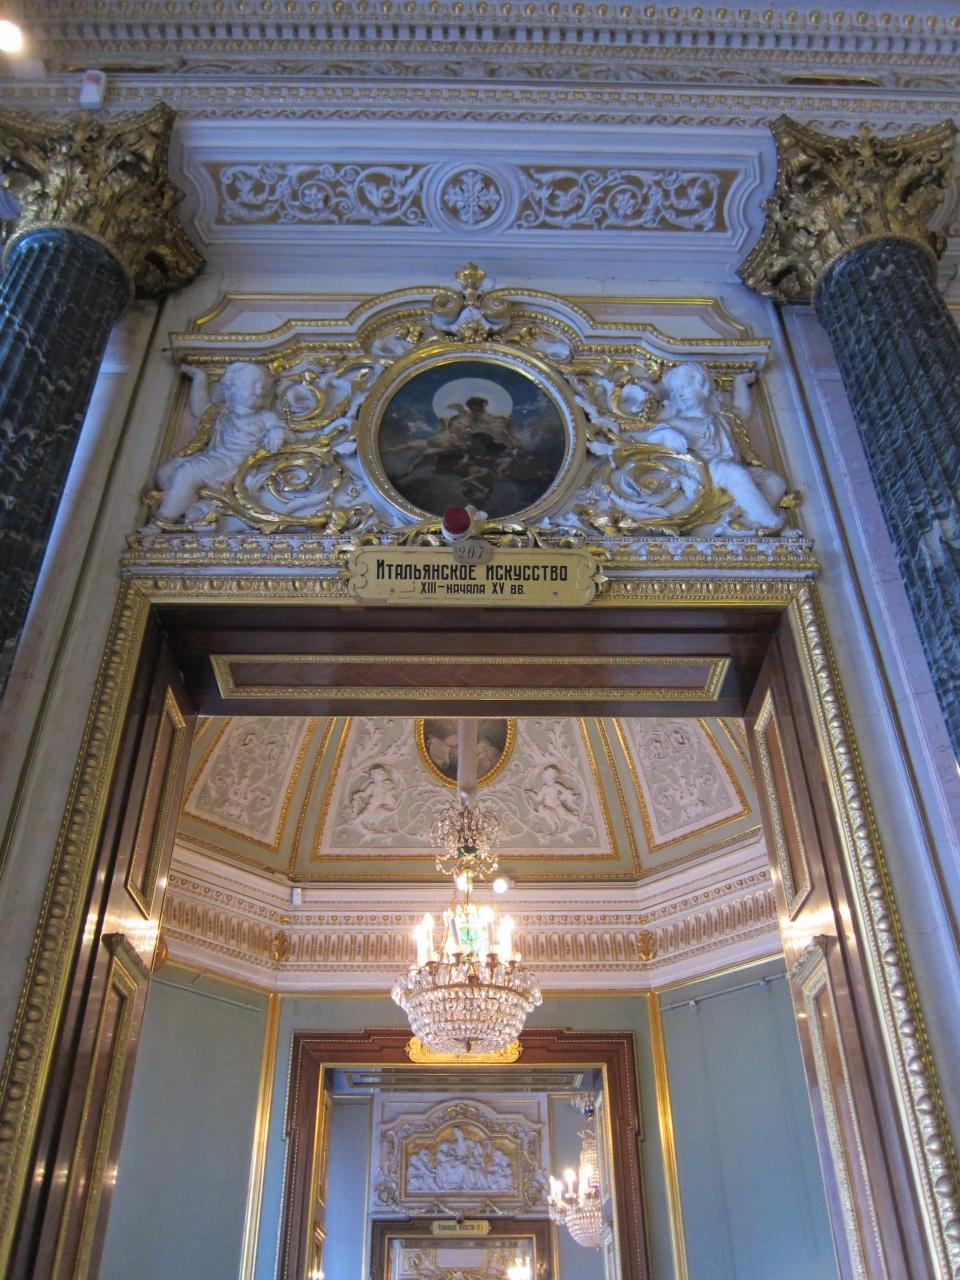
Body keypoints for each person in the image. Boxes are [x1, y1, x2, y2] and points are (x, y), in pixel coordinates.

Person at [644, 362, 786, 532]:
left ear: (703, 388)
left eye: (686, 387)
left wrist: (740, 382)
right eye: (675, 391)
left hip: (726, 468)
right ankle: (771, 521)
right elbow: (652, 435)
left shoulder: (721, 418)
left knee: (775, 481)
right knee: (733, 471)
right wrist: (668, 434)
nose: (680, 394)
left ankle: (747, 521)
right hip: (704, 472)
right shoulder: (677, 423)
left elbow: (742, 411)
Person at [154, 361, 289, 523]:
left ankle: (161, 521)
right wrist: (199, 377)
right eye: (252, 384)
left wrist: (277, 431)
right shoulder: (220, 412)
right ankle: (193, 506)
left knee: (188, 472)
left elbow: (283, 432)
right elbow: (199, 406)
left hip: (234, 464)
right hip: (214, 458)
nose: (258, 391)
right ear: (233, 387)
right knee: (165, 473)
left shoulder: (265, 416)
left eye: (262, 387)